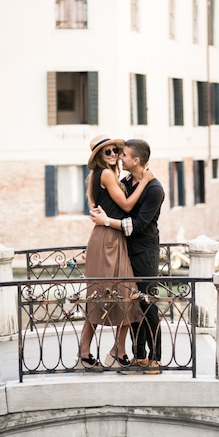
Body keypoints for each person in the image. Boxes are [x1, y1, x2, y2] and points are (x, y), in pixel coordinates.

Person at [79, 134, 154, 370]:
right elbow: (127, 205)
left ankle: (118, 350)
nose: (113, 155)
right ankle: (84, 352)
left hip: (114, 238)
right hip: (106, 240)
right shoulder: (106, 174)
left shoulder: (102, 176)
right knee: (100, 297)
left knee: (125, 294)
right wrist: (146, 181)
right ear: (99, 156)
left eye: (115, 151)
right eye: (107, 152)